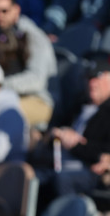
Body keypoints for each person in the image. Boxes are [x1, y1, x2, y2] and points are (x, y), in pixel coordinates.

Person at [31, 52, 110, 200]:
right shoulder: (79, 103)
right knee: (32, 176)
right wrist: (57, 134)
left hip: (89, 169)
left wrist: (75, 145)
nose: (92, 83)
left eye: (97, 78)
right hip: (60, 162)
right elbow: (57, 127)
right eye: (89, 78)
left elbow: (105, 152)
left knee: (62, 180)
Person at [0, 0, 57, 127]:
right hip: (8, 96)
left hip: (38, 99)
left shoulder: (33, 36)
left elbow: (36, 81)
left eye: (4, 11)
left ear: (16, 10)